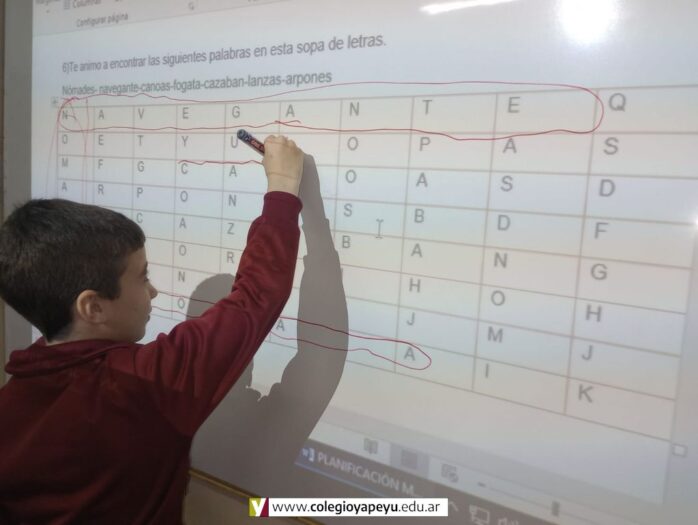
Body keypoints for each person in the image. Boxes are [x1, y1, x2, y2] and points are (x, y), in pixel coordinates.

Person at [0, 135, 304, 524]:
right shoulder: (144, 386)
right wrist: (282, 186)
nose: (154, 291)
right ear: (93, 307)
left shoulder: (11, 403)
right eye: (143, 277)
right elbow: (256, 296)